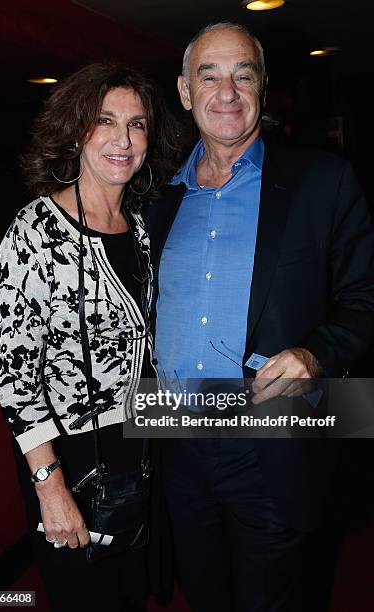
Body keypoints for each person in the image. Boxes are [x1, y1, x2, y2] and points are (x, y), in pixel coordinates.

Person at [145, 22, 374, 612]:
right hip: (174, 440)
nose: (228, 92)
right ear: (184, 91)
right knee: (204, 595)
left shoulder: (324, 181)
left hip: (273, 441)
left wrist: (315, 353)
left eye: (243, 75)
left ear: (263, 89)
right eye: (210, 75)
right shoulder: (156, 201)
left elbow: (364, 299)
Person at [0, 63, 179, 611]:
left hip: (138, 443)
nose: (124, 140)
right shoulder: (33, 233)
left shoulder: (142, 226)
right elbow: (15, 379)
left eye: (137, 124)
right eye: (106, 121)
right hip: (70, 459)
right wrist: (49, 488)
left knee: (130, 593)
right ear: (76, 131)